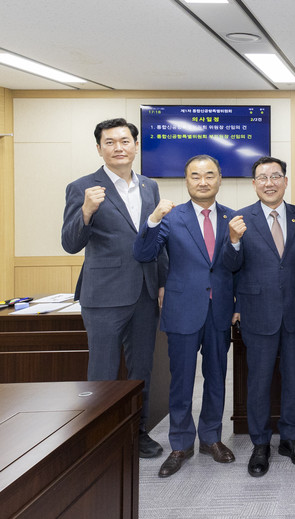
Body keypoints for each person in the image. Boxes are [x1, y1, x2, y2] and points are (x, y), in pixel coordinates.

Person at [61, 118, 167, 459]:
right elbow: (70, 243)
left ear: (136, 145)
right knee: (103, 372)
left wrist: (162, 282)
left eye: (124, 141)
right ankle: (100, 437)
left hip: (145, 292)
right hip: (104, 295)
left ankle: (138, 431)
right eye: (110, 142)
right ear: (99, 149)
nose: (118, 147)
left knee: (141, 369)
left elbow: (156, 238)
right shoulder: (82, 187)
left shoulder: (149, 186)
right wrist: (86, 212)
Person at [133, 155, 236, 477]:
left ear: (220, 178)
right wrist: (152, 220)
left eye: (209, 175)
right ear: (186, 180)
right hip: (181, 309)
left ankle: (211, 438)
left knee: (217, 378)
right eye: (195, 176)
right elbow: (143, 253)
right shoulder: (170, 217)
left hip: (219, 310)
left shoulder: (233, 218)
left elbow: (238, 266)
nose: (203, 181)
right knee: (181, 381)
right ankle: (180, 443)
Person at [224, 156, 295, 478]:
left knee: (294, 378)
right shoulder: (240, 219)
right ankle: (260, 444)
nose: (270, 183)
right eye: (263, 178)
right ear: (254, 184)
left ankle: (291, 439)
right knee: (259, 381)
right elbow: (231, 267)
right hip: (258, 311)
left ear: (285, 181)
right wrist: (233, 241)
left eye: (275, 176)